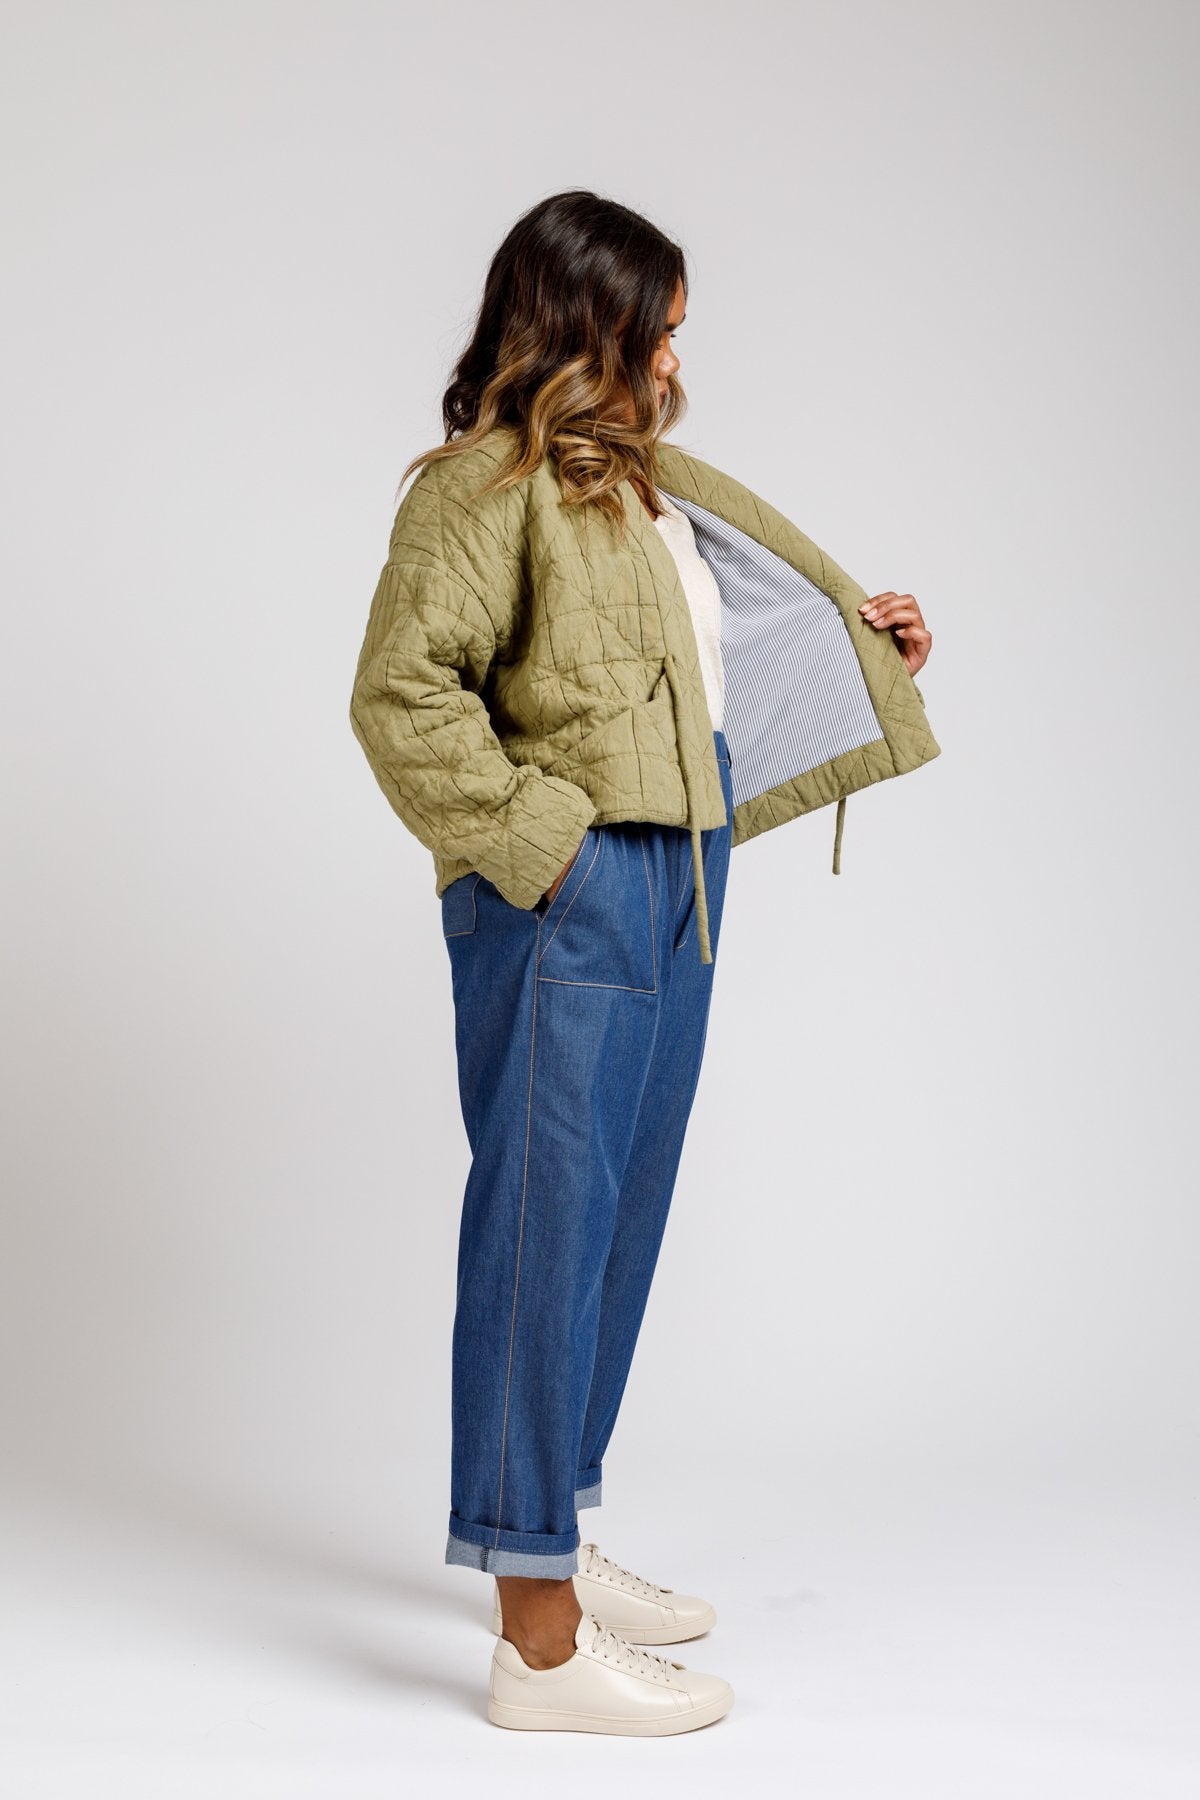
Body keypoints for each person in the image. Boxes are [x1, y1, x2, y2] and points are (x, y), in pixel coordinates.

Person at [349, 189, 937, 1737]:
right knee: (544, 1228)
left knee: (616, 1219)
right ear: (586, 322)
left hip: (680, 875)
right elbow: (403, 695)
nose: (678, 356)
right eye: (659, 327)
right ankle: (537, 1649)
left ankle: (555, 1526)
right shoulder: (481, 490)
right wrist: (547, 849)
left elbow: (691, 668)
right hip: (576, 883)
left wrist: (866, 642)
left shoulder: (642, 493)